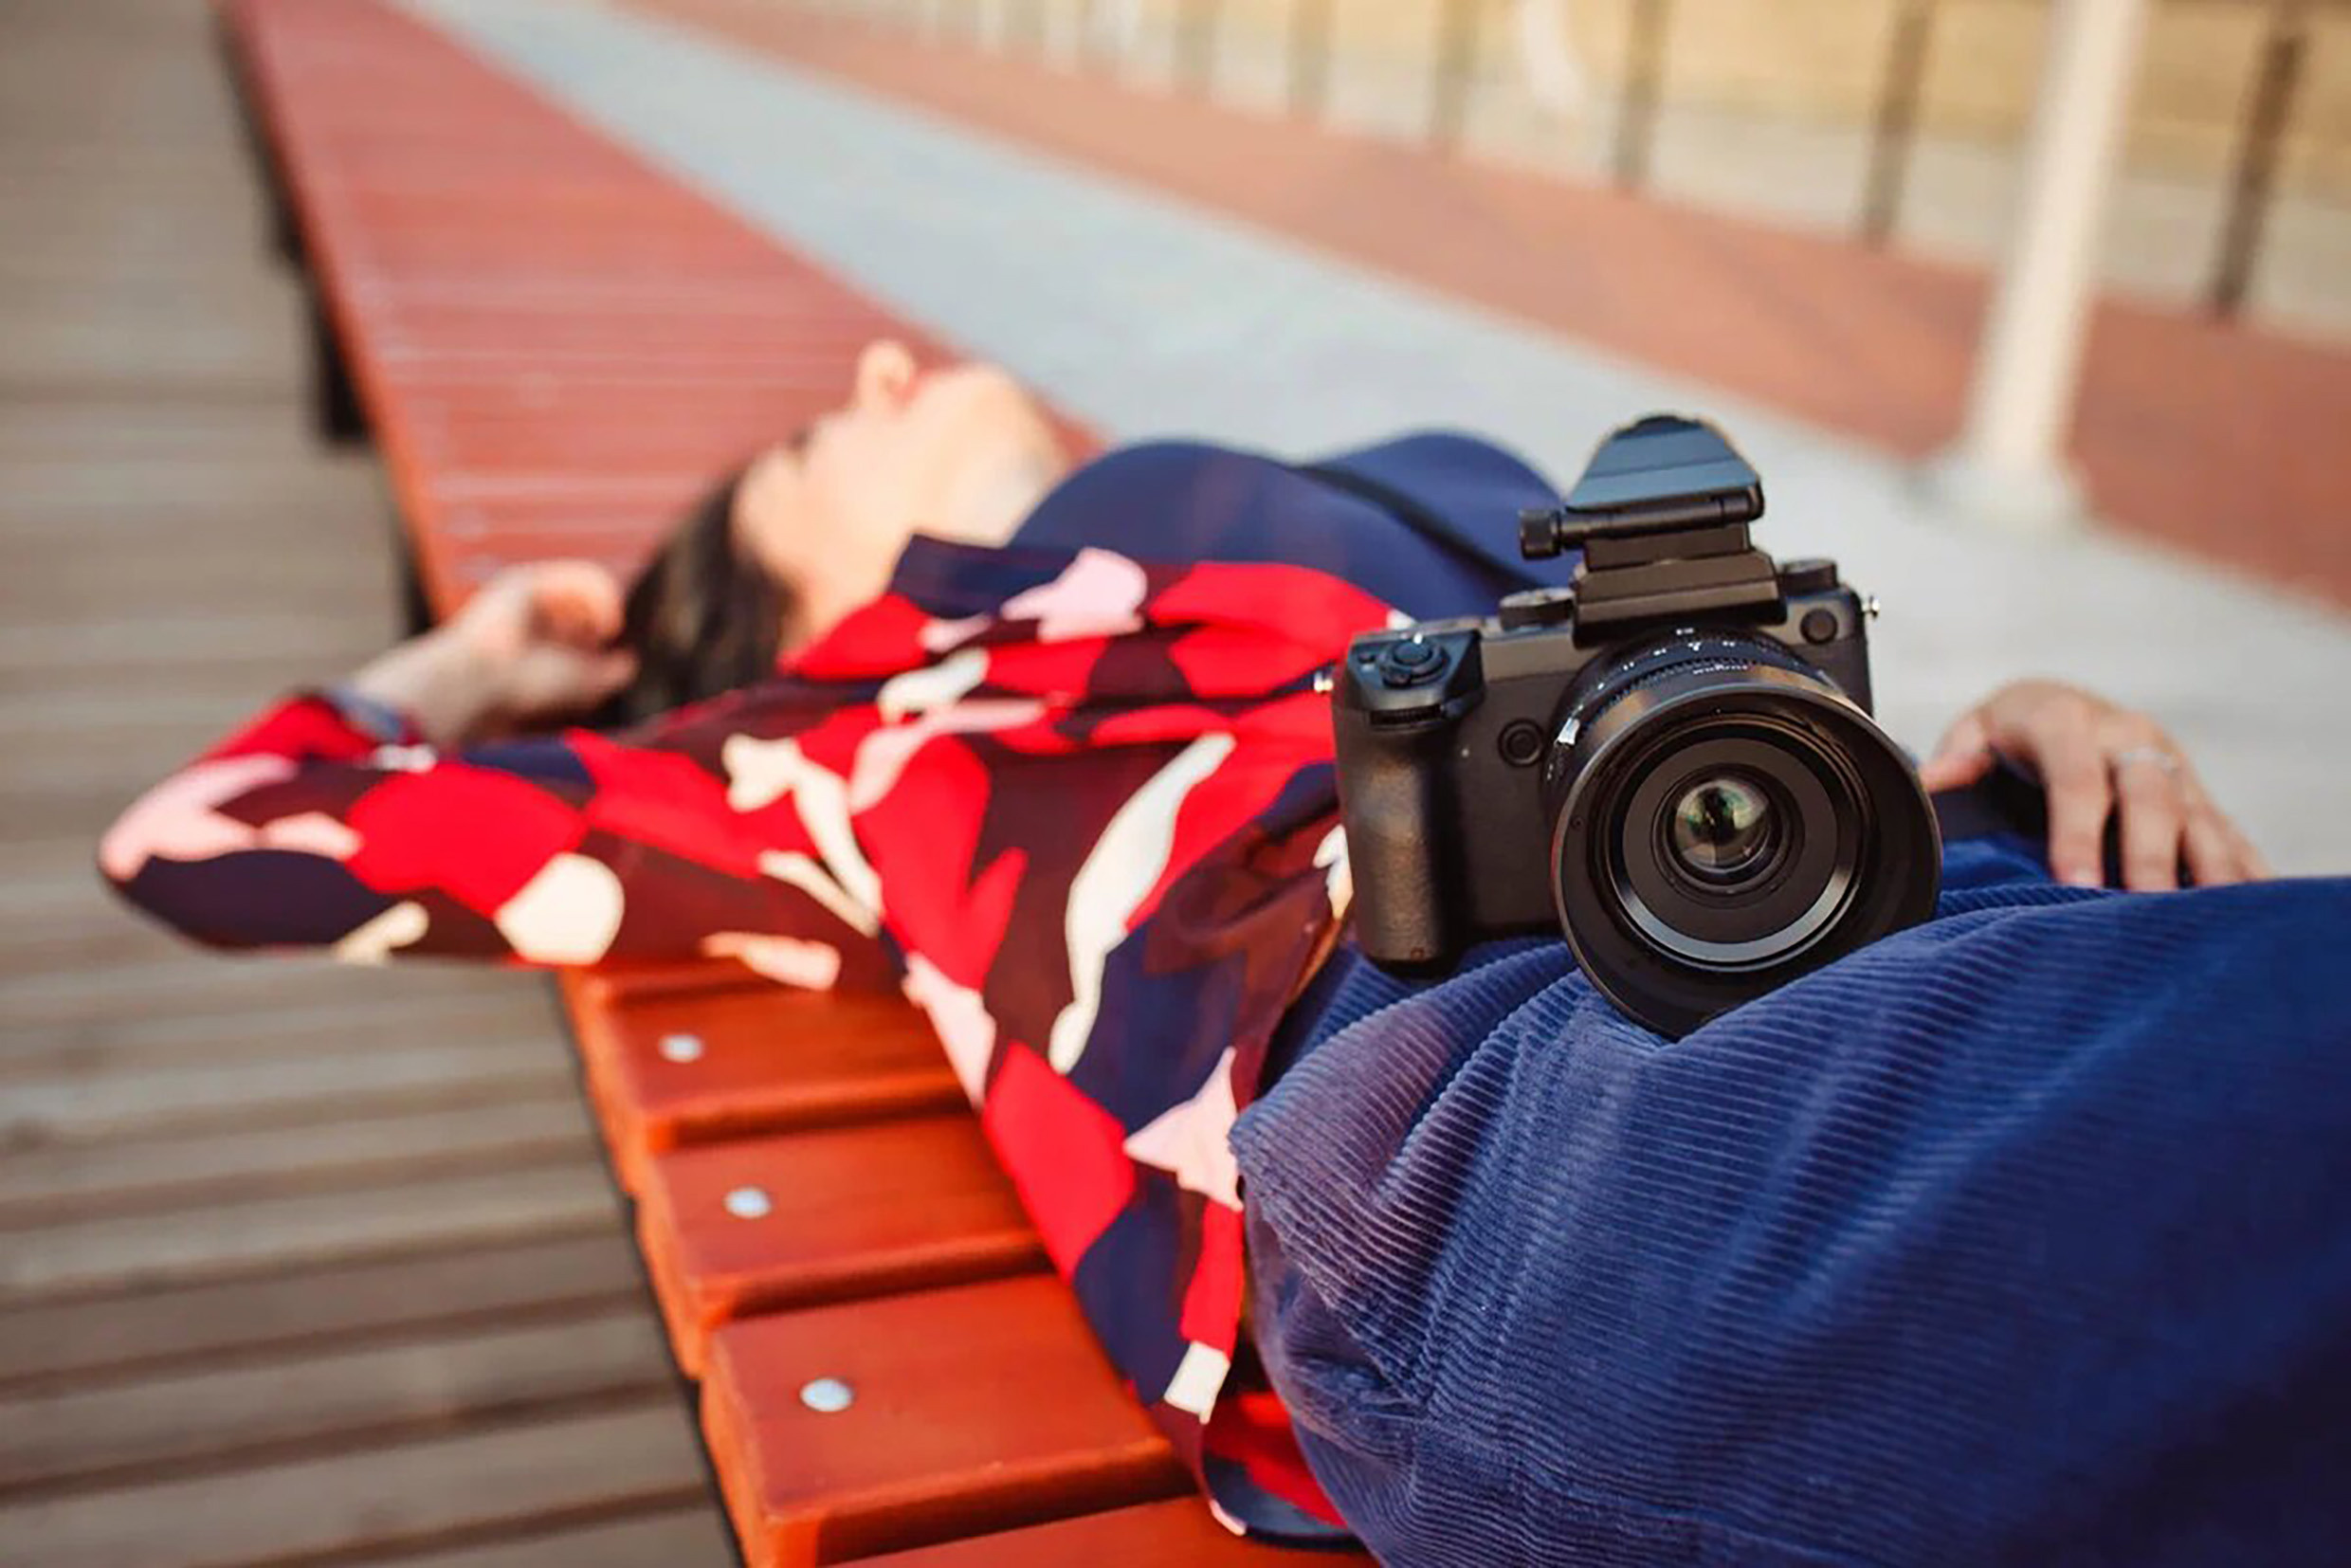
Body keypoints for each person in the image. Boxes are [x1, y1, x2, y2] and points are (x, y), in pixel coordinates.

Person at [102, 341, 2330, 1559]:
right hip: (1461, 1105)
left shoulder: (1370, 498)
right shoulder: (844, 733)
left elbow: (1707, 763)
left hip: (1923, 922)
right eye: (816, 434)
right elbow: (208, 835)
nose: (882, 357)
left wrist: (1995, 736)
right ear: (770, 613)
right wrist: (485, 662)